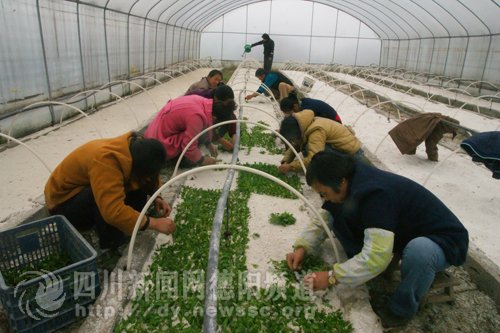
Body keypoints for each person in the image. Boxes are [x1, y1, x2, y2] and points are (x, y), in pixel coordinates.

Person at [286, 151, 469, 328]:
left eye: (324, 193)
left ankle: (400, 310)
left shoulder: (375, 194)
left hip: (445, 240)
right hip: (407, 230)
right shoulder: (347, 176)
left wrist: (332, 277)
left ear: (341, 182)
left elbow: (377, 256)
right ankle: (361, 267)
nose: (324, 198)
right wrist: (303, 247)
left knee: (419, 251)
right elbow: (327, 217)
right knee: (338, 212)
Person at [44, 132, 175, 249]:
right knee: (102, 199)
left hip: (85, 189)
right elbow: (113, 210)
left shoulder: (136, 148)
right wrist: (154, 223)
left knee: (137, 186)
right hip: (63, 203)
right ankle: (112, 244)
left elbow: (150, 175)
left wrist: (157, 197)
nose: (149, 179)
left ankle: (128, 226)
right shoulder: (106, 161)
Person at [145, 89, 237, 167]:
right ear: (215, 118)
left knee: (197, 135)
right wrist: (202, 160)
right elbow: (188, 146)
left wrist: (209, 144)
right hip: (157, 144)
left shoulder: (203, 102)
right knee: (193, 141)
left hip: (154, 131)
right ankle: (176, 160)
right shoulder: (196, 116)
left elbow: (204, 127)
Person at [278, 109, 363, 174]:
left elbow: (314, 157)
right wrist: (286, 161)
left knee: (309, 149)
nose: (294, 140)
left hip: (352, 154)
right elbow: (297, 144)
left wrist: (291, 167)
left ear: (297, 131)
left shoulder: (316, 131)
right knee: (306, 146)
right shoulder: (305, 123)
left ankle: (335, 169)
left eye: (293, 138)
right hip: (340, 147)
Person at [185, 84, 238, 152]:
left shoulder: (219, 100)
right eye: (225, 105)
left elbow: (230, 114)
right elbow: (202, 125)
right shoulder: (204, 98)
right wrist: (218, 139)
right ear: (216, 99)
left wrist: (234, 133)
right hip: (186, 117)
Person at [388, 112, 459, 161]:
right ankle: (410, 151)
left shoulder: (437, 121)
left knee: (412, 135)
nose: (447, 136)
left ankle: (410, 151)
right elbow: (431, 144)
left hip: (420, 121)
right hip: (420, 123)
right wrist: (433, 158)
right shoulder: (438, 125)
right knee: (414, 136)